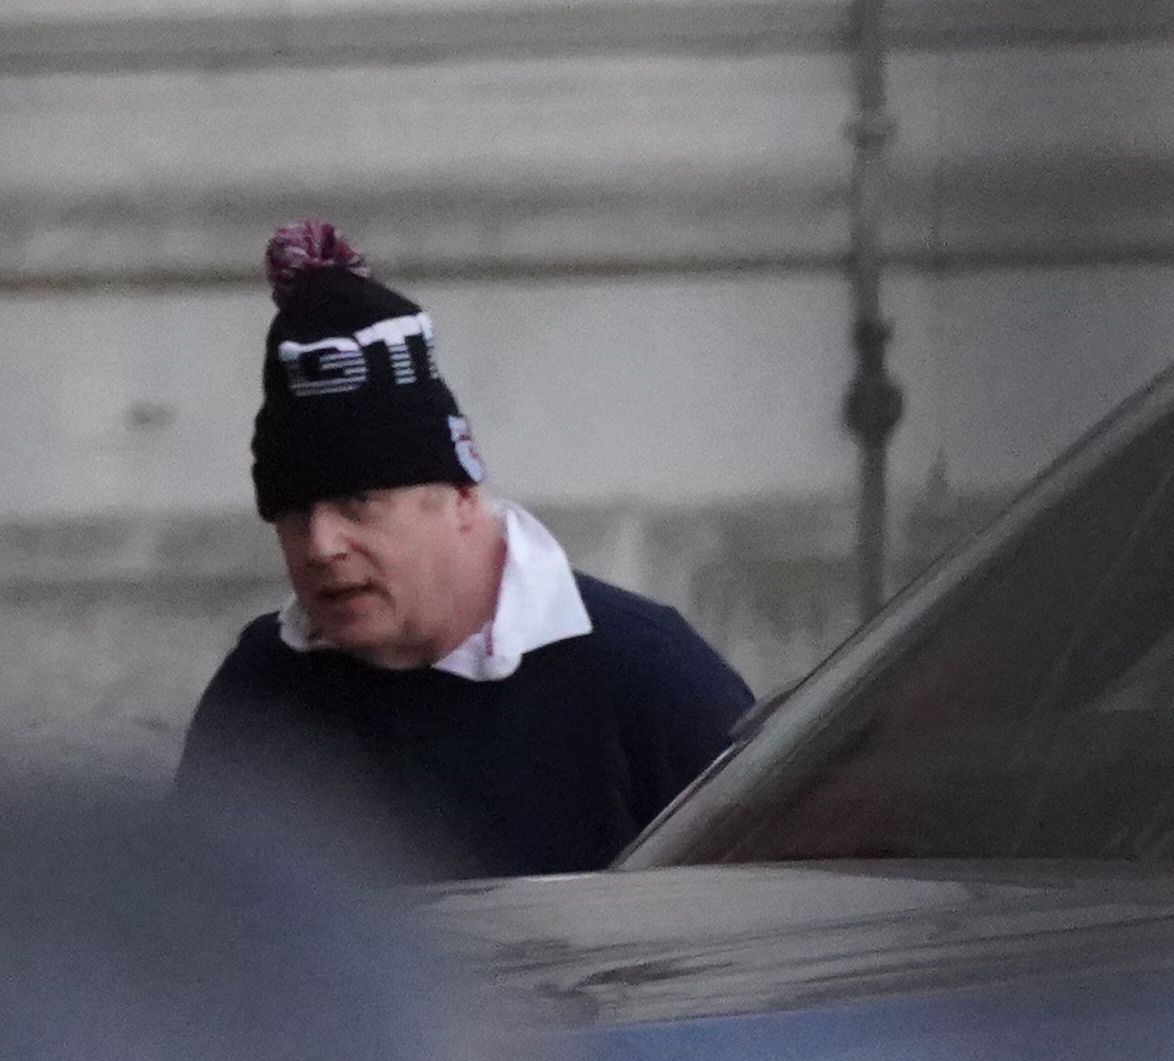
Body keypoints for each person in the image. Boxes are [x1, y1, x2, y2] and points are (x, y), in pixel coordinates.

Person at [178, 222, 754, 878]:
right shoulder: (260, 693)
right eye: (292, 512)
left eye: (358, 502)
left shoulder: (646, 680)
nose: (321, 544)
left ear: (458, 496)